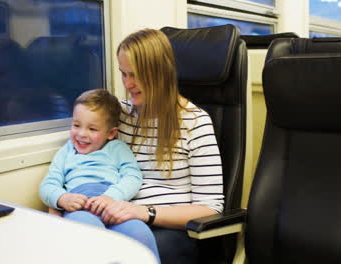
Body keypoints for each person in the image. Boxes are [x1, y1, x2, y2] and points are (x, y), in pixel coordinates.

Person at [99, 29, 224, 264]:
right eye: (123, 74)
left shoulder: (195, 122)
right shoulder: (119, 115)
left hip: (169, 229)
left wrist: (146, 212)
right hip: (120, 218)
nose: (128, 84)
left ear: (160, 73)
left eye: (135, 75)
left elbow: (210, 209)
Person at [39, 88, 160, 262]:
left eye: (92, 129)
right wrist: (63, 198)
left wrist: (111, 196)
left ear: (110, 133)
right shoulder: (66, 151)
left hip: (113, 206)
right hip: (81, 208)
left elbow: (132, 177)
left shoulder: (118, 149)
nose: (81, 134)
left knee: (141, 233)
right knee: (90, 232)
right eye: (76, 125)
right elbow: (48, 185)